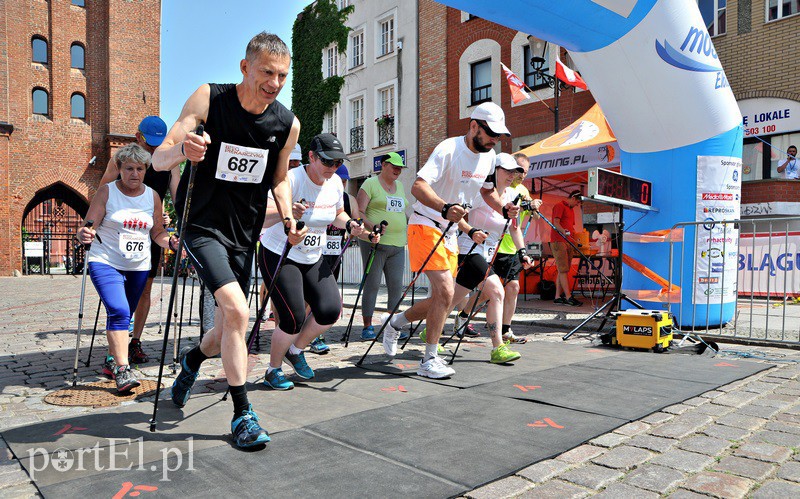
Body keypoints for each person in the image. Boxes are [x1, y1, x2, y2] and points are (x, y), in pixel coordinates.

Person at [152, 32, 303, 448]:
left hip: (244, 234)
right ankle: (242, 415)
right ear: (245, 67)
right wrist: (184, 149)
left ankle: (192, 360)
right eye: (267, 72)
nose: (274, 83)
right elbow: (158, 156)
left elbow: (279, 178)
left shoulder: (286, 123)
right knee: (238, 311)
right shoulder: (209, 99)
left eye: (282, 76)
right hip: (201, 227)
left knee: (226, 330)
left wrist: (288, 217)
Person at [379, 102, 519, 378]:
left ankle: (394, 322)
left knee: (447, 299)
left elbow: (488, 191)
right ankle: (429, 360)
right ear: (473, 126)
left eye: (498, 136)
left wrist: (502, 208)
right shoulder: (449, 149)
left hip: (452, 231)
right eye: (490, 133)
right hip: (425, 224)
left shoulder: (490, 157)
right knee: (444, 292)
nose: (494, 140)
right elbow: (417, 186)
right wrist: (444, 208)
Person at [259, 133, 376, 390]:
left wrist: (351, 225)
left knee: (330, 310)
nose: (333, 168)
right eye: (327, 162)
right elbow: (260, 215)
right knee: (292, 317)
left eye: (337, 163)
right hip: (281, 253)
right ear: (311, 157)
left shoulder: (334, 182)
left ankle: (296, 350)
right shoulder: (291, 179)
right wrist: (286, 212)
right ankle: (272, 369)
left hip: (313, 256)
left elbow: (337, 214)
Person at [77, 143, 177, 393]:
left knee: (125, 314)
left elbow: (157, 232)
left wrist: (171, 242)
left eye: (140, 169)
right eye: (129, 168)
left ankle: (112, 361)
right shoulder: (107, 192)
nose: (135, 173)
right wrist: (84, 233)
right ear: (120, 169)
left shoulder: (152, 195)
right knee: (120, 310)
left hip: (138, 265)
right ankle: (123, 369)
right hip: (106, 261)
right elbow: (88, 225)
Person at [98, 116, 179, 367]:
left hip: (150, 231)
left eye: (159, 143)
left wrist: (170, 216)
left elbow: (177, 196)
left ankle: (135, 341)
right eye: (149, 143)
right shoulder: (122, 159)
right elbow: (104, 191)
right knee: (120, 290)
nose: (154, 149)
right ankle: (118, 344)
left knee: (145, 288)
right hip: (122, 232)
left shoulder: (170, 161)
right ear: (138, 137)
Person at [356, 152, 409, 340]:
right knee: (373, 284)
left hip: (397, 244)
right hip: (375, 243)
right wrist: (373, 227)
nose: (397, 170)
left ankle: (392, 326)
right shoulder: (370, 184)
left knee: (396, 287)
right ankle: (367, 326)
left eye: (400, 167)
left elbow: (402, 212)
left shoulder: (401, 186)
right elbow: (359, 212)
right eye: (394, 166)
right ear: (383, 165)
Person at [309, 163, 360, 354]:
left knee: (326, 296)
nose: (344, 184)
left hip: (335, 253)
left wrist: (358, 229)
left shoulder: (348, 199)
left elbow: (356, 220)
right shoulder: (320, 194)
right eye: (341, 180)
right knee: (313, 296)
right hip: (316, 253)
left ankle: (314, 333)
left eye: (346, 181)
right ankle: (313, 336)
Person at [551, 189, 583, 306]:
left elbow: (571, 227)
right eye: (577, 202)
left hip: (568, 241)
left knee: (563, 269)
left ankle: (558, 296)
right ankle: (568, 296)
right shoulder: (559, 206)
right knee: (563, 269)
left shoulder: (571, 210)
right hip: (559, 241)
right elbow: (556, 223)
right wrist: (564, 232)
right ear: (573, 198)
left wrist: (575, 240)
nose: (577, 205)